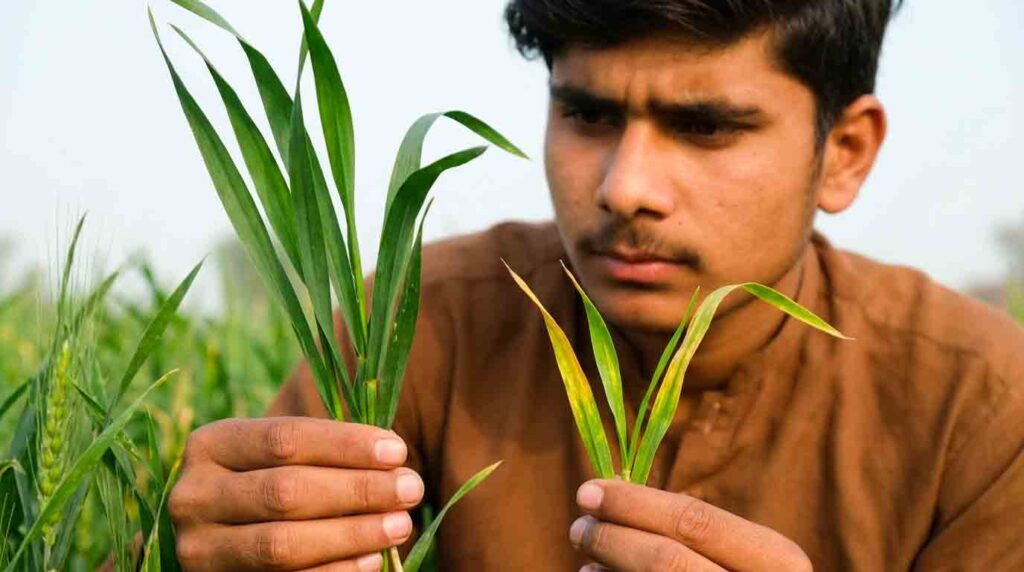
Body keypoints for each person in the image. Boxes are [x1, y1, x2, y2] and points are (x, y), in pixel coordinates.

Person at [168, 1, 1024, 570]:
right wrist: (193, 552)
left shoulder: (984, 407)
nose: (623, 187)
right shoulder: (421, 318)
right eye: (587, 114)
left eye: (705, 127)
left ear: (845, 153)